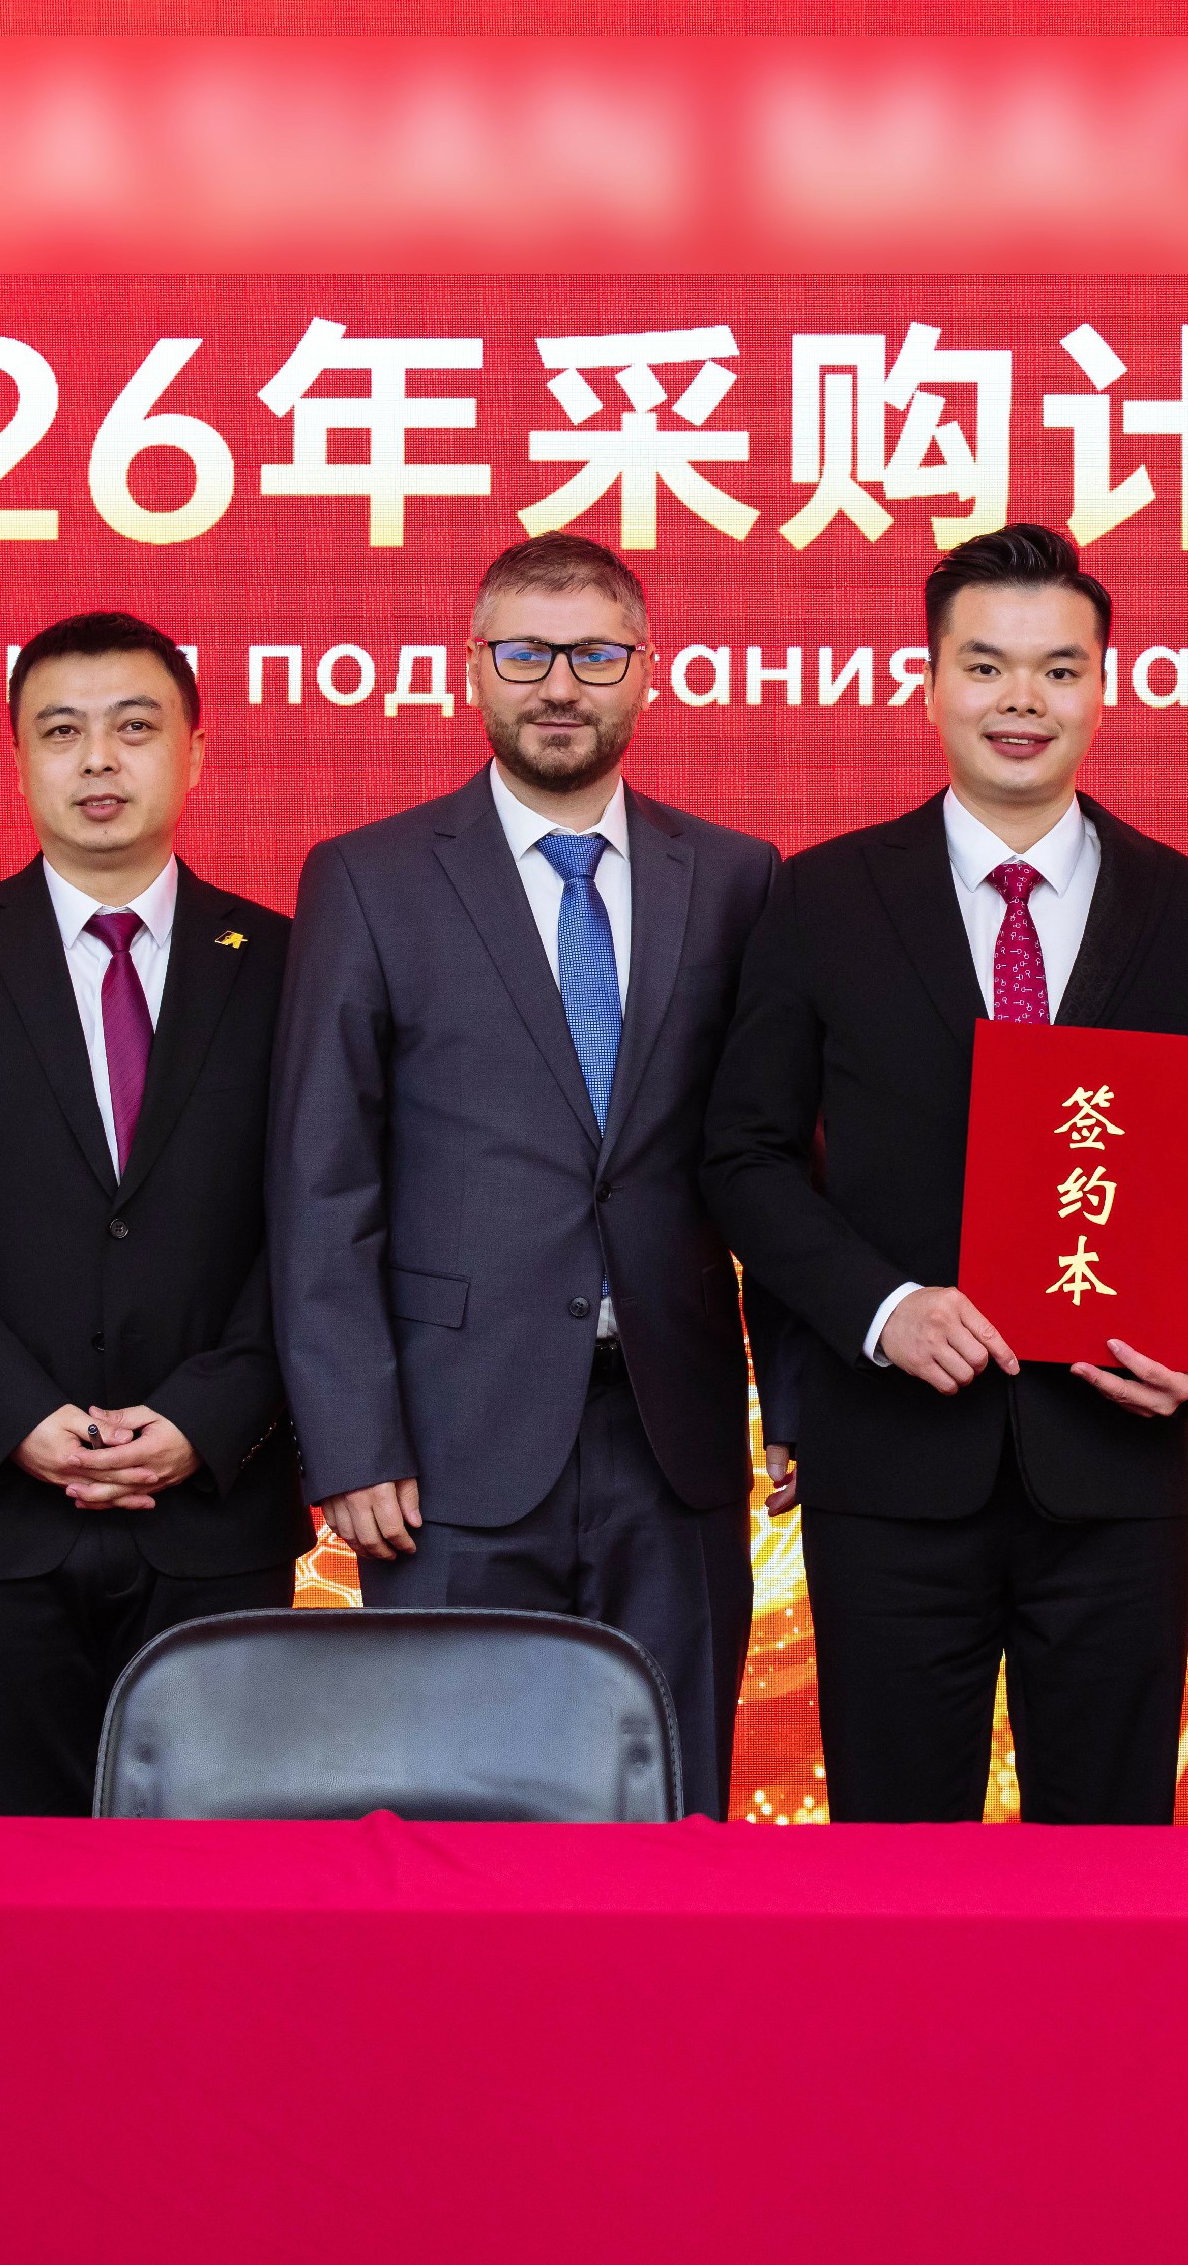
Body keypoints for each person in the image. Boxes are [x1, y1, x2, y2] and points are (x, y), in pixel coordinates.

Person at [705, 523, 1188, 1824]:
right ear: (931, 681)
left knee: (1112, 1857)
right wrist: (882, 1307)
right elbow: (743, 1154)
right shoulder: (824, 896)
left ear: (1103, 686)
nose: (1023, 700)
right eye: (987, 665)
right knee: (897, 1859)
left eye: (1059, 669)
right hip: (890, 1468)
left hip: (1113, 1462)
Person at [275, 537, 782, 1815]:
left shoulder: (735, 879)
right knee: (457, 1820)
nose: (560, 685)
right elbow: (322, 1183)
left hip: (674, 1438)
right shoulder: (369, 877)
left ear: (648, 671)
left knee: (671, 1807)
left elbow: (770, 1169)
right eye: (526, 654)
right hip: (447, 1450)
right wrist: (351, 1438)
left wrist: (799, 1408)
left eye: (596, 655)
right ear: (472, 669)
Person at [0, 611, 308, 1818]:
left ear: (195, 754)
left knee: (212, 1877)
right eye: (61, 732)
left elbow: (316, 1221)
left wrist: (209, 1415)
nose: (98, 759)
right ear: (19, 761)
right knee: (16, 1876)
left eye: (133, 727)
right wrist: (20, 1418)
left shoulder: (288, 965)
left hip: (216, 1504)